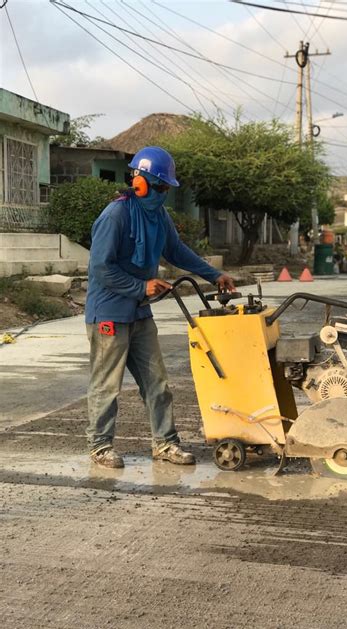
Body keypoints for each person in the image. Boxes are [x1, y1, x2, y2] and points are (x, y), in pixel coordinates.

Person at [85, 146, 234, 468]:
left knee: (158, 384)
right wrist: (142, 286)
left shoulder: (159, 215)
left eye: (167, 188)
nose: (164, 194)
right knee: (107, 386)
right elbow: (100, 268)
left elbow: (177, 251)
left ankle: (165, 444)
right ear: (140, 183)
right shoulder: (116, 215)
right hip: (109, 314)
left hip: (140, 311)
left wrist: (214, 274)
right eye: (161, 187)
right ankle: (100, 447)